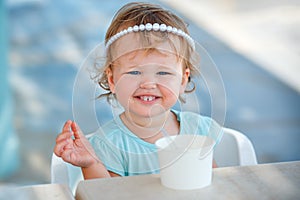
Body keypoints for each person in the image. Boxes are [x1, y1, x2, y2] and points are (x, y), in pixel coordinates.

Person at [54, 2, 222, 180]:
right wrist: (92, 164)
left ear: (182, 80)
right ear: (112, 80)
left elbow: (215, 185)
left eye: (163, 72)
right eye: (134, 72)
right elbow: (106, 194)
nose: (148, 83)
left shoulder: (199, 130)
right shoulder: (109, 144)